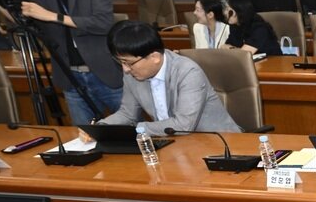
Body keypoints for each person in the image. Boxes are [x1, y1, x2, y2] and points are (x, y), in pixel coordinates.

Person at [92, 20, 239, 133]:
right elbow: (127, 114)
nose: (125, 69)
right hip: (173, 145)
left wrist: (136, 129)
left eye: (129, 63)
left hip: (218, 144)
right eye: (121, 62)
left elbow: (183, 126)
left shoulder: (187, 72)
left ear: (155, 57)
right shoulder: (133, 74)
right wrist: (101, 128)